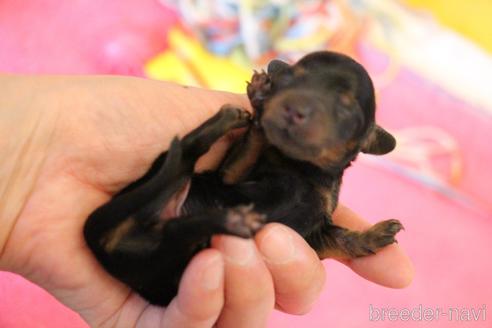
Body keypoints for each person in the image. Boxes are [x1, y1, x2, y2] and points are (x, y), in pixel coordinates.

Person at [0, 74, 414, 328]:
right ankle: (202, 200)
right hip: (169, 219)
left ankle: (203, 212)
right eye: (296, 89)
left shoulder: (322, 191)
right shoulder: (264, 143)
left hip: (162, 257)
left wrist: (353, 242)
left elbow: (316, 235)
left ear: (360, 143)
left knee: (212, 253)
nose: (300, 113)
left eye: (334, 111)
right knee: (180, 176)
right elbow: (228, 177)